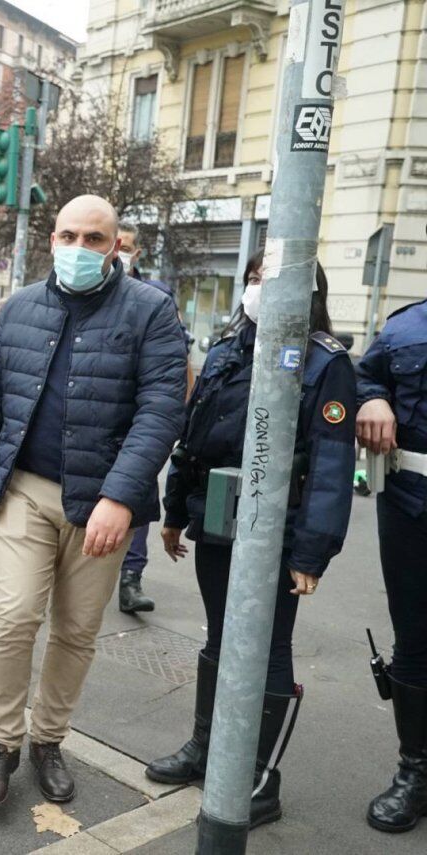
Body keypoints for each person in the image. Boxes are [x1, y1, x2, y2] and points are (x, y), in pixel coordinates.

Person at [0, 195, 187, 808]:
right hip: (25, 488)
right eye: (69, 236)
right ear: (51, 238)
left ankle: (48, 741)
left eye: (95, 239)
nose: (79, 249)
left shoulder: (151, 311)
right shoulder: (21, 308)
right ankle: (2, 741)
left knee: (77, 630)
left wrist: (120, 496)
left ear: (116, 246)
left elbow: (162, 410)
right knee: (11, 616)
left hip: (102, 503)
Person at [148, 252, 355, 829]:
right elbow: (193, 437)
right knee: (220, 635)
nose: (262, 290)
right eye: (256, 279)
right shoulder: (226, 349)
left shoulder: (324, 363)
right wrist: (172, 510)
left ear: (311, 293)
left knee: (267, 648)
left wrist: (314, 550)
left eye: (277, 282)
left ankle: (259, 777)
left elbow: (334, 464)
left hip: (280, 531)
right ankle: (207, 750)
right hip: (217, 518)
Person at [356, 291, 427, 834]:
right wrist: (372, 398)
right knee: (415, 641)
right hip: (411, 505)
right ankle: (415, 774)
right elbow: (362, 375)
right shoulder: (407, 325)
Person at [114, 221, 193, 615]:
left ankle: (131, 578)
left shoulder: (157, 296)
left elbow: (181, 361)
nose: (119, 251)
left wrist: (174, 417)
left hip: (139, 420)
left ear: (137, 252)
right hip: (96, 418)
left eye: (125, 246)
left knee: (135, 495)